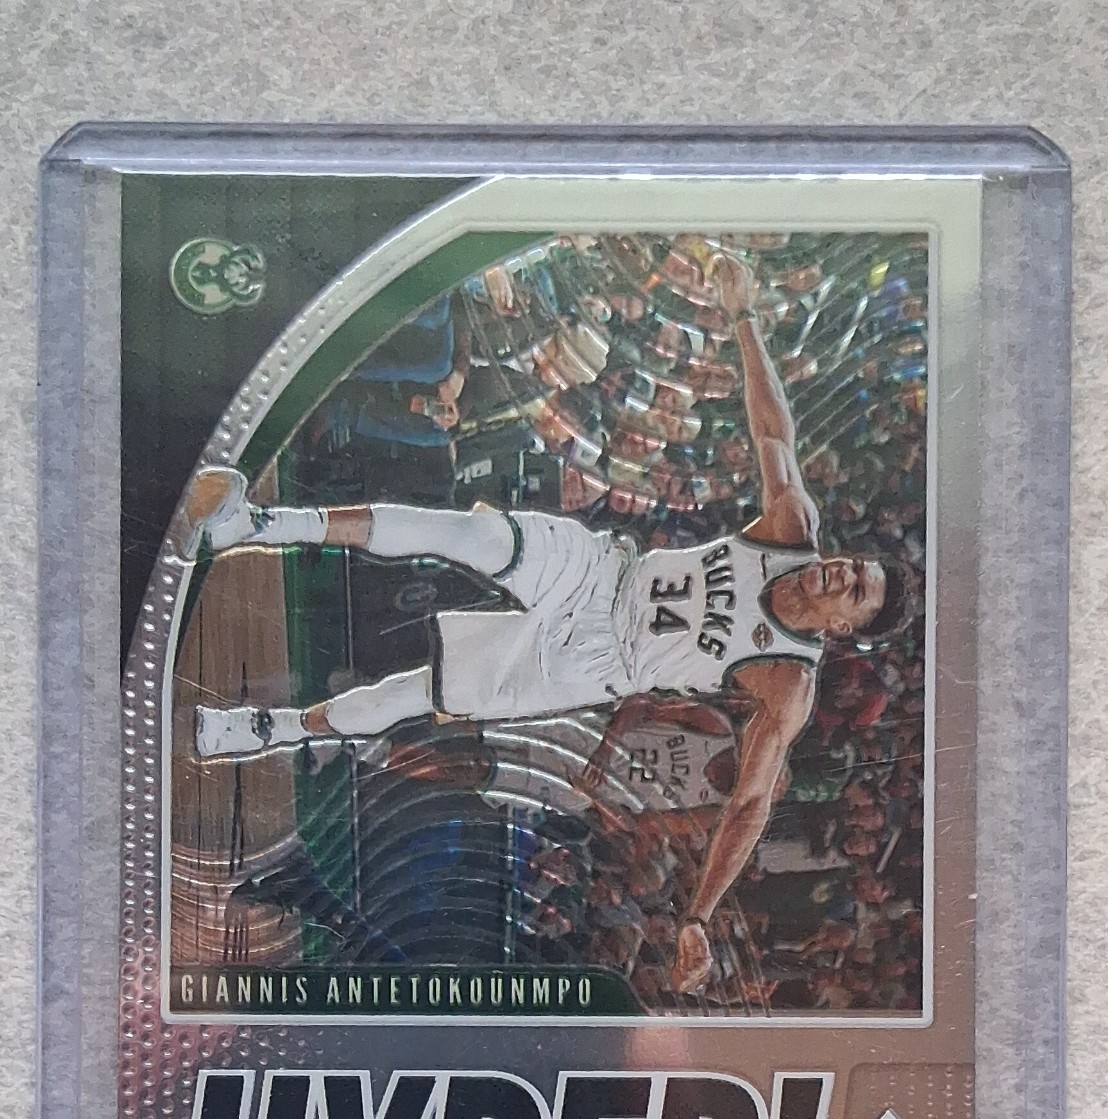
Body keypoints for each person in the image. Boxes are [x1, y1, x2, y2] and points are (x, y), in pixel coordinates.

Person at [185, 258, 907, 994]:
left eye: (853, 589)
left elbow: (751, 804)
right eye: (852, 564)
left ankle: (264, 730)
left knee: (413, 695)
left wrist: (698, 917)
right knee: (465, 533)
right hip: (601, 571)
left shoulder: (786, 681)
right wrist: (743, 314)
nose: (839, 572)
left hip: (594, 659)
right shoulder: (791, 530)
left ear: (842, 628)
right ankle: (254, 524)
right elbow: (772, 433)